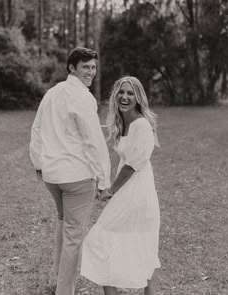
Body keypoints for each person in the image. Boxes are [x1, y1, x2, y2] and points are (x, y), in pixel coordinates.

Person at [29, 47, 111, 295]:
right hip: (76, 177)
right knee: (74, 236)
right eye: (85, 67)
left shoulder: (51, 94)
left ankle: (57, 276)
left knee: (63, 221)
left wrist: (39, 164)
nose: (91, 72)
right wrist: (104, 179)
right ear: (72, 68)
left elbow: (37, 129)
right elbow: (93, 140)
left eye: (93, 67)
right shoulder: (83, 97)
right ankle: (64, 291)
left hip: (52, 175)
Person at [80, 76, 161, 295]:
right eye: (121, 92)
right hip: (128, 192)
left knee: (105, 242)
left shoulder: (142, 125)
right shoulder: (123, 122)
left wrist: (110, 190)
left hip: (138, 194)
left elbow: (132, 165)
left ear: (138, 98)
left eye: (130, 93)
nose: (125, 97)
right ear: (115, 95)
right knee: (116, 246)